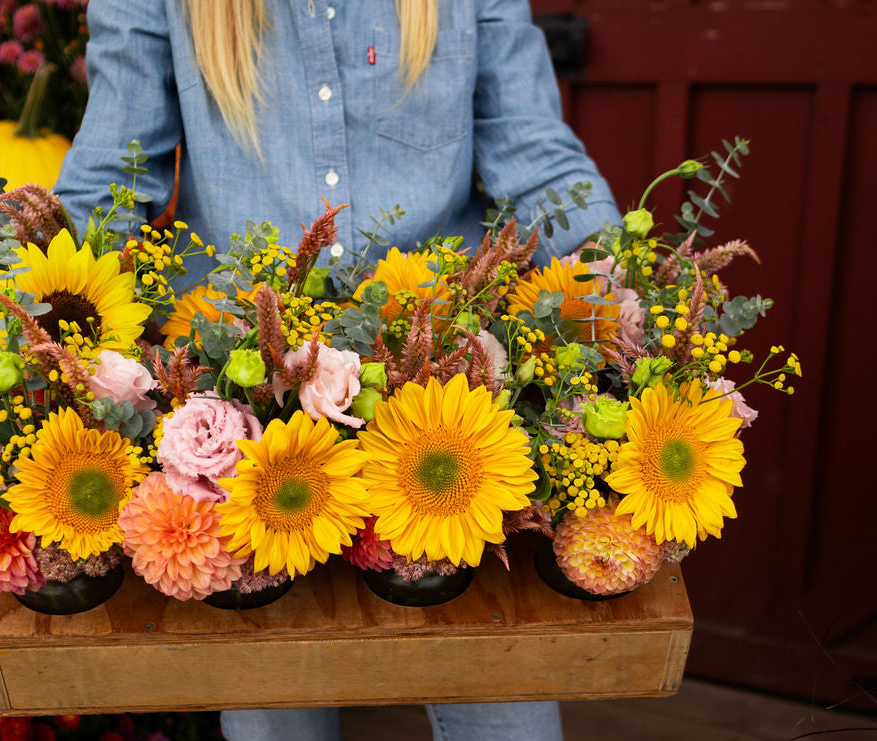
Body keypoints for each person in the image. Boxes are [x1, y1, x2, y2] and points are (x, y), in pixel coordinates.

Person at [55, 1, 621, 739]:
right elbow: (110, 180)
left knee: (504, 704)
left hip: (444, 397)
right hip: (249, 415)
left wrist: (624, 284)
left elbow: (535, 156)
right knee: (272, 714)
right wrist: (28, 309)